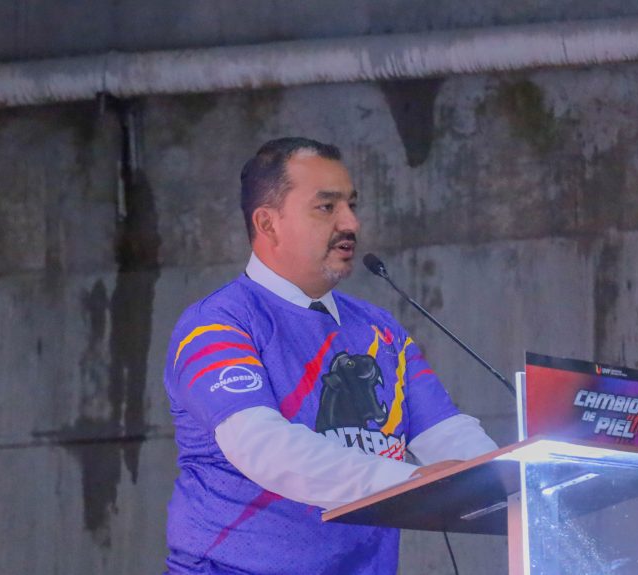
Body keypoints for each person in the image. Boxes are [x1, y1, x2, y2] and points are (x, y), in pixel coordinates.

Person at [163, 137, 498, 574]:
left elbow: (447, 433)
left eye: (352, 205)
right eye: (327, 207)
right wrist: (410, 480)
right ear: (268, 224)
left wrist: (514, 478)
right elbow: (263, 448)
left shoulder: (380, 329)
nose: (351, 223)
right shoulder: (217, 323)